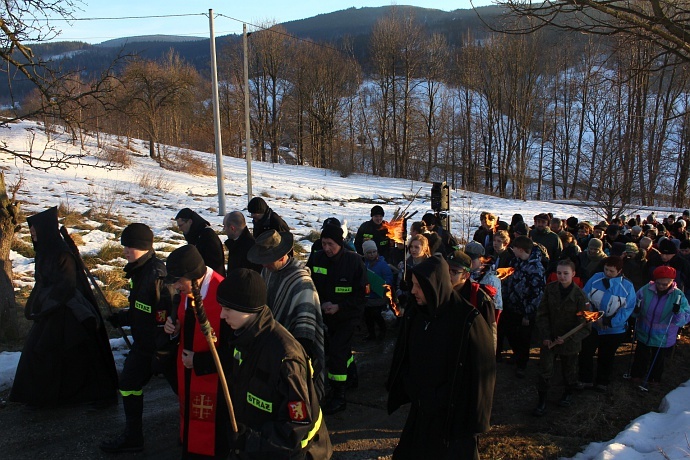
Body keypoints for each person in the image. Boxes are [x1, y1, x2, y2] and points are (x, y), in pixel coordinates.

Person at [386, 255, 495, 459]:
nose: (413, 291)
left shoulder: (468, 320)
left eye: (419, 286)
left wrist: (476, 420)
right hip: (422, 410)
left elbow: (483, 375)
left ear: (434, 285)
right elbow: (406, 355)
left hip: (453, 418)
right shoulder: (417, 314)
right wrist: (409, 385)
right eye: (413, 285)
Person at [216, 269, 333, 459]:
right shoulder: (244, 339)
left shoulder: (285, 357)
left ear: (249, 308)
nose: (222, 315)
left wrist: (250, 440)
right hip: (256, 448)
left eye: (228, 309)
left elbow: (297, 428)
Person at [10, 206, 118, 408]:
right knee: (41, 352)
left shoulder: (63, 254)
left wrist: (45, 303)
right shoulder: (43, 252)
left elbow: (66, 286)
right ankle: (42, 396)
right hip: (50, 310)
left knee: (63, 352)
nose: (32, 235)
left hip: (67, 311)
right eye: (31, 231)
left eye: (34, 231)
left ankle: (66, 395)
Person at [100, 223, 174, 453]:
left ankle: (197, 434)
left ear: (143, 247)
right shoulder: (138, 271)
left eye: (129, 246)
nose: (125, 251)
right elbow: (141, 309)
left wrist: (161, 352)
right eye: (124, 246)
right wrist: (123, 318)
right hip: (143, 346)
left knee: (183, 391)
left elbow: (164, 317)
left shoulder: (156, 276)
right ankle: (133, 437)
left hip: (158, 348)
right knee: (129, 383)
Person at [163, 245, 228, 458]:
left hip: (212, 379)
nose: (175, 286)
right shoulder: (188, 289)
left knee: (209, 436)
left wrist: (199, 361)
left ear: (193, 276)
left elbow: (233, 348)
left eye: (178, 281)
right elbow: (186, 323)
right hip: (188, 373)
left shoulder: (222, 293)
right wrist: (174, 328)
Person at [247, 229, 326, 402]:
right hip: (272, 343)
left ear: (282, 256)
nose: (264, 264)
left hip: (292, 349)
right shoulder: (268, 271)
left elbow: (305, 329)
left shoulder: (301, 282)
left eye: (267, 261)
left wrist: (297, 360)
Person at [307, 224, 367, 414]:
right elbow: (309, 283)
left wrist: (339, 307)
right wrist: (323, 303)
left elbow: (360, 295)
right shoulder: (316, 259)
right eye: (323, 244)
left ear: (340, 243)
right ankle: (351, 375)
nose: (326, 248)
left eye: (330, 244)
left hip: (348, 315)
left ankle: (338, 395)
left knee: (336, 352)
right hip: (325, 314)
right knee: (340, 348)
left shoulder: (354, 262)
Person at [533, 259, 590, 416]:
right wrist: (545, 335)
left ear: (573, 274)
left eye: (566, 273)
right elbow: (542, 313)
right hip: (550, 338)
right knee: (545, 370)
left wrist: (568, 338)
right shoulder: (550, 289)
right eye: (559, 273)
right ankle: (542, 400)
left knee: (569, 370)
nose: (562, 277)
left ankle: (567, 393)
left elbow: (585, 326)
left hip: (569, 341)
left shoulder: (580, 296)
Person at [578, 256, 636, 392]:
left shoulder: (627, 286)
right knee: (586, 352)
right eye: (606, 269)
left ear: (619, 271)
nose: (608, 273)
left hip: (614, 329)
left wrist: (609, 322)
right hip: (593, 325)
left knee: (606, 355)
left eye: (612, 271)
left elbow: (627, 309)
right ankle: (585, 379)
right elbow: (584, 299)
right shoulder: (596, 278)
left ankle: (602, 381)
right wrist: (594, 317)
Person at [630, 266, 690, 385]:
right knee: (641, 354)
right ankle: (637, 375)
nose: (661, 286)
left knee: (658, 358)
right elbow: (635, 303)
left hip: (663, 335)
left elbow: (685, 317)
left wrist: (678, 312)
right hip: (644, 330)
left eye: (665, 284)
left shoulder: (678, 295)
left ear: (672, 282)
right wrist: (636, 309)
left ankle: (654, 378)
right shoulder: (646, 289)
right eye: (659, 283)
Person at [501, 235, 546, 376]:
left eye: (514, 248)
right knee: (510, 332)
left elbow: (537, 293)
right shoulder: (515, 262)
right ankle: (516, 354)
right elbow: (508, 280)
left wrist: (528, 313)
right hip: (512, 305)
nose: (512, 250)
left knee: (524, 338)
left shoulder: (536, 268)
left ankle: (522, 363)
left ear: (520, 249)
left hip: (526, 310)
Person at [447, 250, 497, 350]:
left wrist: (488, 361)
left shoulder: (481, 299)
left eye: (454, 271)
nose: (448, 275)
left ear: (466, 275)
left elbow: (490, 334)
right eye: (446, 270)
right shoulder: (441, 293)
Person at [175, 208, 226, 277]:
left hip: (212, 280)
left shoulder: (207, 236)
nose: (180, 229)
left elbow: (215, 264)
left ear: (190, 221)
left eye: (181, 225)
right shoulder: (195, 235)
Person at [362, 239, 393, 341]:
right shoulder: (364, 264)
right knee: (367, 316)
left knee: (376, 315)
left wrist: (383, 285)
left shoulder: (382, 265)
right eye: (369, 253)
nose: (371, 255)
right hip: (368, 296)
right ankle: (371, 334)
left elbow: (389, 277)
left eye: (373, 252)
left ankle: (383, 330)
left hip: (379, 296)